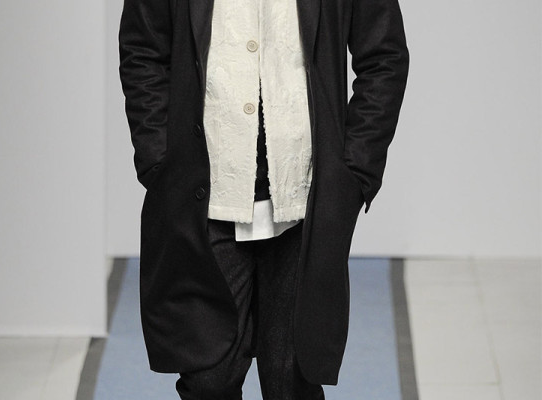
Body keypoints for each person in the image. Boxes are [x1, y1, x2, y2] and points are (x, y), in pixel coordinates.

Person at [118, 0, 409, 398]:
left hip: (304, 200)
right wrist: (160, 163)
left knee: (293, 383)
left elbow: (384, 55)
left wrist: (354, 172)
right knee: (208, 383)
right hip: (205, 199)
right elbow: (142, 49)